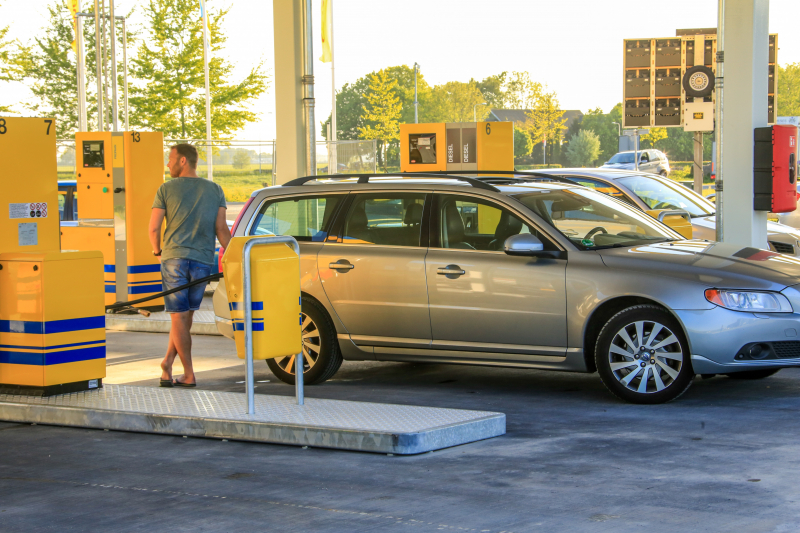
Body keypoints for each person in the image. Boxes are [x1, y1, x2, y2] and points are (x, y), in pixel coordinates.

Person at [149, 144, 231, 387]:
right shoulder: (215, 189)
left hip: (174, 258)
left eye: (170, 159)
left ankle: (188, 373)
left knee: (179, 319)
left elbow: (154, 227)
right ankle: (166, 364)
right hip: (203, 261)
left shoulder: (166, 189)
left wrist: (157, 251)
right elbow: (221, 230)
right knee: (185, 319)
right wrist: (236, 256)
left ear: (183, 160)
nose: (168, 163)